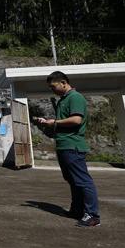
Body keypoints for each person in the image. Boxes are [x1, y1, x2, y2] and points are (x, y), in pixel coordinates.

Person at [35, 71, 100, 227]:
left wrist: (53, 123)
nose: (52, 90)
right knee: (72, 180)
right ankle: (77, 210)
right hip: (64, 145)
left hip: (73, 145)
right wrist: (48, 123)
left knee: (83, 181)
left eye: (53, 86)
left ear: (63, 82)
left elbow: (76, 120)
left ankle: (92, 215)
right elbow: (62, 122)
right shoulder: (63, 100)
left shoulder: (75, 97)